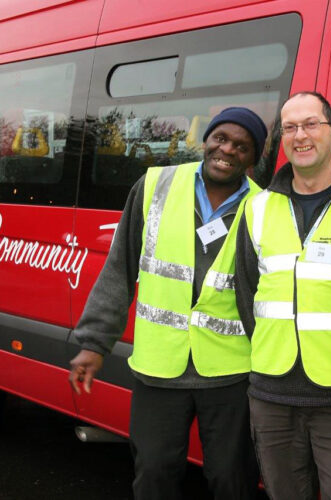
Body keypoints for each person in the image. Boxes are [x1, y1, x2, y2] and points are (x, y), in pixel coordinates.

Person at [68, 107, 268, 500]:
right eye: (221, 138)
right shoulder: (155, 184)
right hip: (159, 368)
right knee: (154, 473)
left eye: (242, 146)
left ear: (253, 158)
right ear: (206, 140)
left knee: (233, 480)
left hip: (230, 371)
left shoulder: (265, 206)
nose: (227, 150)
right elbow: (119, 266)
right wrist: (94, 343)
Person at [235, 91, 331, 500]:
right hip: (271, 392)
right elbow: (248, 293)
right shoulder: (257, 207)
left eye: (311, 124)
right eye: (291, 127)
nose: (301, 135)